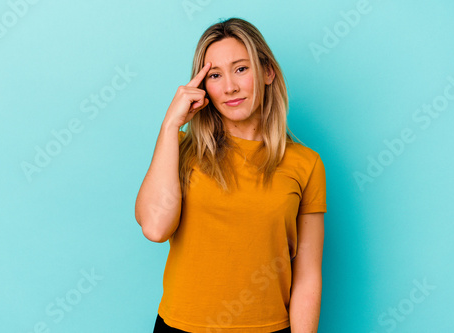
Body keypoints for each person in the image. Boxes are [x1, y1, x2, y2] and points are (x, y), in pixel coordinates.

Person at [135, 17, 326, 333]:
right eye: (214, 75)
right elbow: (155, 228)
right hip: (181, 328)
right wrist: (170, 126)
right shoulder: (179, 148)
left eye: (241, 69)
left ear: (267, 72)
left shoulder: (305, 164)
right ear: (202, 86)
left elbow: (307, 276)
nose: (230, 87)